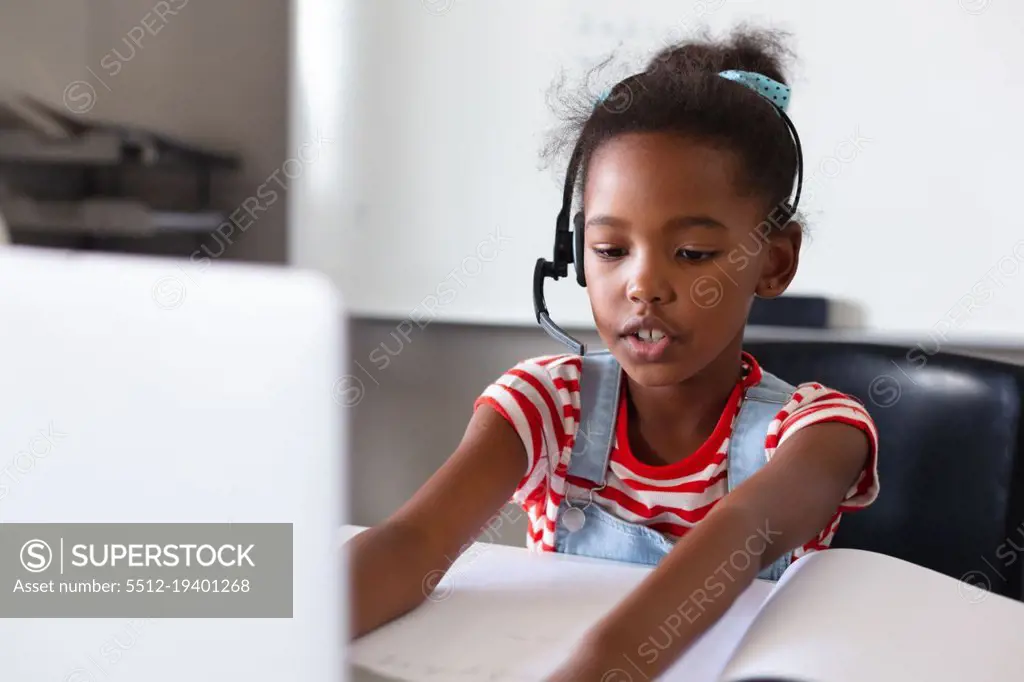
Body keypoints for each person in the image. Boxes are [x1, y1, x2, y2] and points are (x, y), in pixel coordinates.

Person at [347, 25, 880, 681]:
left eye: (692, 254)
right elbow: (412, 544)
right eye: (610, 250)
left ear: (774, 261)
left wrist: (600, 667)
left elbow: (740, 535)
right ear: (575, 256)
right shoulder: (543, 404)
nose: (644, 286)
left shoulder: (819, 433)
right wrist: (276, 633)